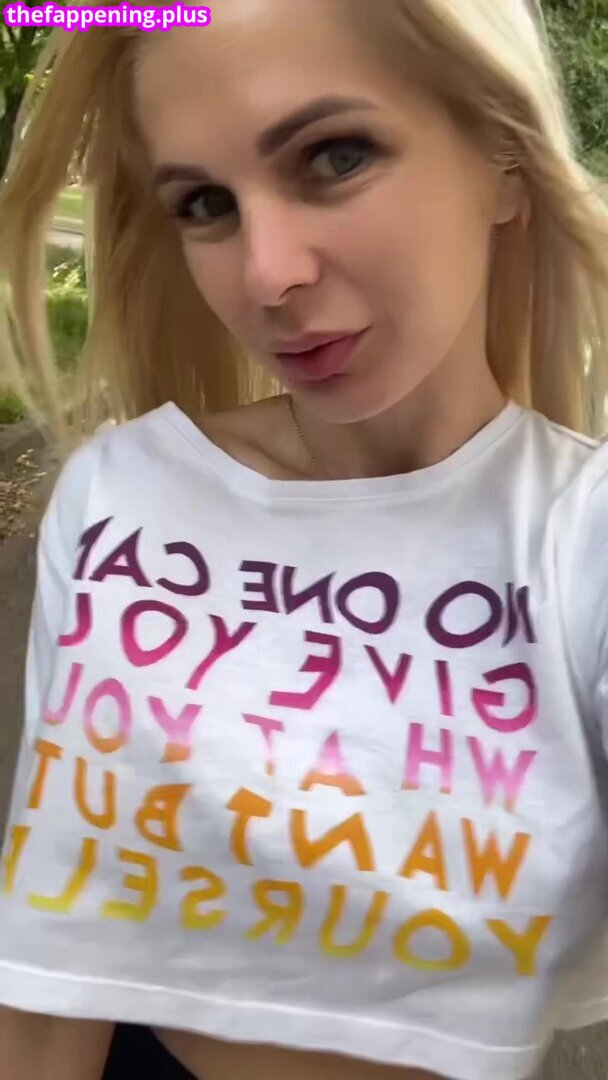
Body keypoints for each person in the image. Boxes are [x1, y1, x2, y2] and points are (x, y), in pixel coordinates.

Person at [0, 0, 608, 1078]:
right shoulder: (123, 499)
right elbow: (53, 958)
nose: (266, 274)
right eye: (205, 204)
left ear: (503, 164)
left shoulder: (578, 540)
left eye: (335, 156)